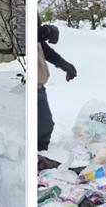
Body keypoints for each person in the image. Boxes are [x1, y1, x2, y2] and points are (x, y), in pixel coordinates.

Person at [37, 18, 77, 152]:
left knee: (45, 126)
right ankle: (39, 157)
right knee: (43, 127)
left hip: (39, 87)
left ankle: (40, 154)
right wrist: (44, 32)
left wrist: (64, 65)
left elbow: (42, 46)